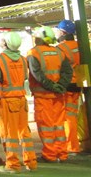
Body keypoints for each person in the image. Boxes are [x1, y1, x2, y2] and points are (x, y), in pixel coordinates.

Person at [0, 31, 38, 173]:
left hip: (8, 100)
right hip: (22, 99)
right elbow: (25, 77)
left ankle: (13, 165)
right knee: (25, 132)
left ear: (6, 43)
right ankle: (31, 162)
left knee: (10, 134)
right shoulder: (23, 59)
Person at [27, 26, 72, 163]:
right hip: (58, 96)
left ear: (40, 38)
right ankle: (62, 153)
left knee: (46, 126)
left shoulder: (33, 53)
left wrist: (51, 86)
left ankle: (50, 155)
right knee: (59, 126)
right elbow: (68, 72)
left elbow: (38, 75)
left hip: (43, 97)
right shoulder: (60, 52)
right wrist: (60, 86)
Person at [54, 19, 82, 155]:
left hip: (66, 85)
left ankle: (71, 146)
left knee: (66, 117)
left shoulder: (60, 48)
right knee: (73, 115)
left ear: (63, 32)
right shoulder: (81, 45)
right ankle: (74, 145)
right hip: (79, 83)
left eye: (58, 30)